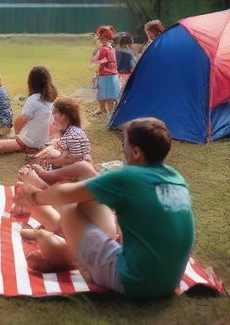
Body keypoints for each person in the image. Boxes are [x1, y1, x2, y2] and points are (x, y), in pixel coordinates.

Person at [15, 118, 195, 300]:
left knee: (71, 207)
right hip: (168, 283)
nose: (122, 149)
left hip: (133, 282)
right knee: (87, 198)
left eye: (124, 143)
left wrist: (34, 197)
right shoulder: (177, 179)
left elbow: (65, 194)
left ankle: (78, 264)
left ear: (136, 152)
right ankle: (70, 252)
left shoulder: (130, 177)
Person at [0, 66, 56, 154]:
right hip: (46, 140)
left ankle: (19, 146)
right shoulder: (53, 98)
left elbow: (20, 121)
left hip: (31, 142)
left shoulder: (34, 99)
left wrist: (17, 135)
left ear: (31, 83)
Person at [27, 97, 91, 167]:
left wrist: (51, 161)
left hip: (78, 166)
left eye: (54, 116)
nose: (53, 122)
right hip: (76, 161)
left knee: (51, 155)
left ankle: (38, 161)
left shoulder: (72, 136)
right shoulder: (70, 130)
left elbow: (74, 160)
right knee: (51, 149)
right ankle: (36, 158)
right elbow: (61, 144)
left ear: (63, 116)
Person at [92, 26, 119, 115]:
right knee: (108, 95)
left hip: (105, 75)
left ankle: (106, 111)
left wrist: (94, 63)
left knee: (104, 96)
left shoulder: (103, 50)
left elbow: (100, 62)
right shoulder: (111, 48)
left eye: (98, 37)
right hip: (113, 74)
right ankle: (106, 111)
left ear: (102, 38)